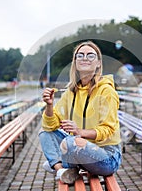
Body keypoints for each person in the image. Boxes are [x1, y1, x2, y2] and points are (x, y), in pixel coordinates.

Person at [39, 41, 122, 184]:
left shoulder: (106, 91)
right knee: (45, 132)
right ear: (75, 62)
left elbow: (108, 129)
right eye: (80, 55)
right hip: (80, 148)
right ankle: (62, 170)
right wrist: (49, 106)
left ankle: (58, 164)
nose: (85, 58)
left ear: (98, 63)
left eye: (90, 55)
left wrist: (79, 131)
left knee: (70, 142)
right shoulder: (70, 92)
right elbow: (50, 126)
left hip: (107, 156)